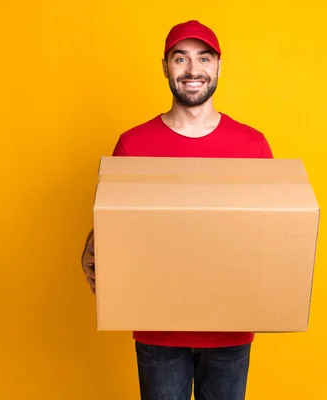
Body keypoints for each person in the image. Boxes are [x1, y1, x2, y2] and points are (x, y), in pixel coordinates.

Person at [81, 20, 274, 400]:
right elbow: (116, 223)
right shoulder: (134, 144)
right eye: (180, 58)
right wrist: (94, 243)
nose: (192, 70)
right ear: (165, 66)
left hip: (230, 330)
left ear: (218, 66)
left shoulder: (251, 145)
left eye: (203, 58)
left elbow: (271, 232)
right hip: (159, 331)